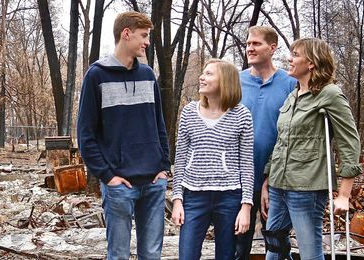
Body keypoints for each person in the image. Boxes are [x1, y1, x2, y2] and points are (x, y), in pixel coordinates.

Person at [77, 11, 171, 260]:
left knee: (151, 255)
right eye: (143, 36)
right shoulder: (96, 76)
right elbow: (85, 135)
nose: (147, 42)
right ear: (126, 34)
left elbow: (159, 125)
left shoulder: (148, 75)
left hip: (153, 182)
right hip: (119, 186)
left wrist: (164, 167)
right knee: (118, 255)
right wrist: (108, 176)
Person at [261, 38, 362, 260]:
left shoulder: (330, 94)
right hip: (279, 184)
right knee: (274, 244)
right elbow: (281, 141)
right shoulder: (292, 96)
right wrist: (267, 180)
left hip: (306, 188)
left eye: (295, 54)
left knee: (309, 252)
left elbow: (350, 142)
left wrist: (344, 194)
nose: (289, 58)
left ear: (312, 63)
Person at [171, 59, 254, 260]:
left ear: (224, 81)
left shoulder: (242, 115)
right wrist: (177, 199)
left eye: (209, 74)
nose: (201, 77)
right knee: (187, 255)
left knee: (226, 256)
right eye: (203, 73)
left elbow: (247, 164)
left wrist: (246, 207)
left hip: (229, 197)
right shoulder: (189, 112)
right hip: (193, 196)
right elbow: (180, 158)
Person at [235, 26, 297, 260]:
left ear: (272, 48)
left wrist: (269, 179)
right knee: (238, 247)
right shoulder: (236, 81)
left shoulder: (290, 83)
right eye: (248, 43)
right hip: (239, 178)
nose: (250, 48)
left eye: (256, 44)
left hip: (277, 179)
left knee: (278, 247)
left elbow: (292, 134)